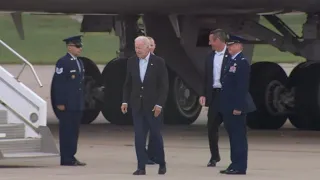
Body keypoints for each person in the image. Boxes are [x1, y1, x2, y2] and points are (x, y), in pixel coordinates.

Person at [121, 36, 169, 175]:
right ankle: (141, 166)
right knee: (139, 137)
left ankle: (161, 162)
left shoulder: (158, 62)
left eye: (140, 48)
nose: (138, 50)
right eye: (136, 48)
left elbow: (164, 86)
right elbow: (127, 84)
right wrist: (125, 101)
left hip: (153, 107)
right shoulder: (131, 61)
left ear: (149, 47)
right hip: (137, 105)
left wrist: (160, 104)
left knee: (155, 135)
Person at [219, 36, 256, 175]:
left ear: (239, 46)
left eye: (232, 45)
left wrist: (239, 107)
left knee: (238, 137)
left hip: (236, 106)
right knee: (233, 137)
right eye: (228, 45)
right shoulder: (231, 61)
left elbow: (242, 87)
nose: (229, 48)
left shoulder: (242, 62)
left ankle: (240, 166)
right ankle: (234, 164)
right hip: (228, 105)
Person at [51, 35, 86, 166]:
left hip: (77, 103)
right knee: (66, 131)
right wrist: (59, 102)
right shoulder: (63, 62)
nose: (80, 48)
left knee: (74, 131)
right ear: (69, 47)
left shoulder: (79, 62)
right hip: (67, 103)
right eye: (77, 46)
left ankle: (71, 155)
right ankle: (65, 157)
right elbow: (59, 84)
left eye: (80, 46)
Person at [199, 29, 229, 167]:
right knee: (211, 127)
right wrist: (203, 94)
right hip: (215, 95)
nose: (209, 43)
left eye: (211, 40)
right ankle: (214, 156)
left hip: (228, 95)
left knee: (233, 128)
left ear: (217, 40)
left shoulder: (231, 56)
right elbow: (206, 78)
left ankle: (236, 157)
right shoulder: (209, 57)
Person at [145, 36, 158, 165]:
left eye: (152, 44)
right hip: (143, 101)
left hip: (156, 101)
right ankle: (144, 155)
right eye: (149, 44)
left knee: (155, 130)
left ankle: (153, 154)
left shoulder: (159, 61)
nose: (151, 46)